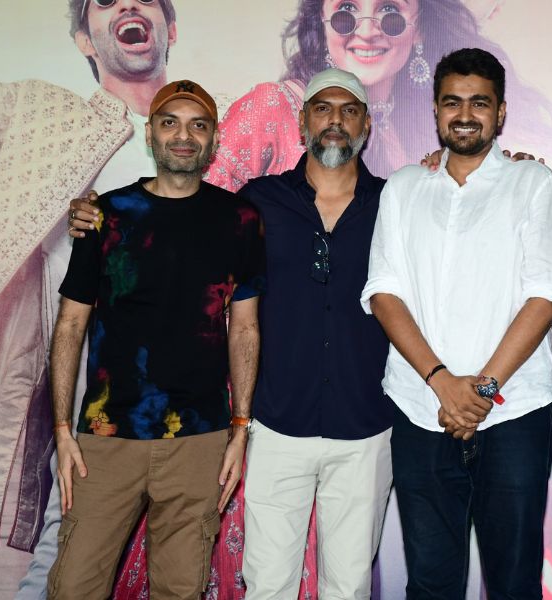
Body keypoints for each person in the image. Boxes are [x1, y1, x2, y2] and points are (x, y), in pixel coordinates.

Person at [362, 48, 552, 599]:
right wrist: (442, 383)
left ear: (500, 113)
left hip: (513, 413)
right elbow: (384, 293)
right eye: (452, 102)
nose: (465, 114)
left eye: (479, 103)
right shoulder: (403, 187)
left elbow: (544, 297)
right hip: (419, 407)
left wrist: (479, 391)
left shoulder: (535, 184)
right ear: (435, 110)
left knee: (513, 582)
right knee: (431, 583)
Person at [0, 0, 174, 584]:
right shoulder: (47, 119)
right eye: (106, 2)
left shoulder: (210, 130)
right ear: (85, 40)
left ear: (171, 28)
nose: (129, 4)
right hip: (96, 378)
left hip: (194, 384)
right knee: (67, 543)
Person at [46, 79, 263, 599]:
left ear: (213, 140)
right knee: (74, 586)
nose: (184, 136)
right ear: (150, 134)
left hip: (199, 439)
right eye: (170, 123)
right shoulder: (105, 215)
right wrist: (62, 429)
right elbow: (70, 324)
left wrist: (240, 429)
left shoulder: (239, 219)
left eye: (198, 125)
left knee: (180, 589)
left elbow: (245, 327)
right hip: (106, 436)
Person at [228, 67, 393, 600]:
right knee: (267, 585)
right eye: (323, 108)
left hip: (365, 426)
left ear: (366, 124)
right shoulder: (259, 200)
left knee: (348, 587)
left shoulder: (396, 202)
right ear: (303, 123)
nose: (335, 121)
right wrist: (99, 213)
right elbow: (188, 223)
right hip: (278, 424)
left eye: (349, 111)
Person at [208, 0, 552, 190]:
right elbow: (202, 216)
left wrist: (503, 174)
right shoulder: (272, 107)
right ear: (322, 21)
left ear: (418, 30)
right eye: (346, 11)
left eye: (390, 11)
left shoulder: (414, 139)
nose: (367, 30)